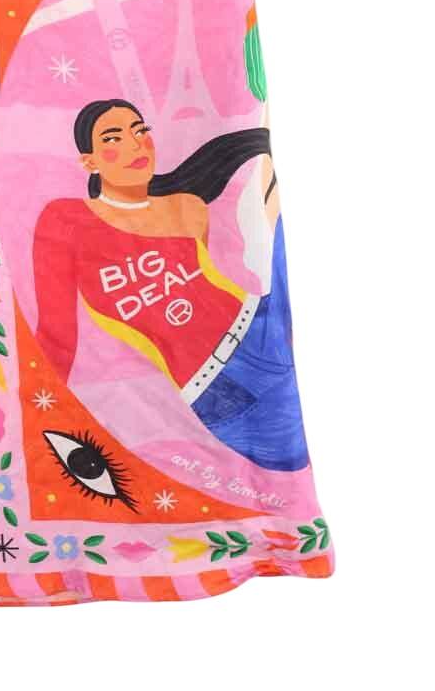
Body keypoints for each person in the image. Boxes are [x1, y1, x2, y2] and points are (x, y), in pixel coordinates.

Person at [32, 98, 308, 471]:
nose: (135, 145)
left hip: (258, 326)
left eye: (140, 131)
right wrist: (41, 413)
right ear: (89, 162)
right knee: (285, 464)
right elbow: (56, 333)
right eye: (113, 138)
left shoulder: (187, 207)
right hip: (213, 386)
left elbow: (209, 292)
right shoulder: (65, 220)